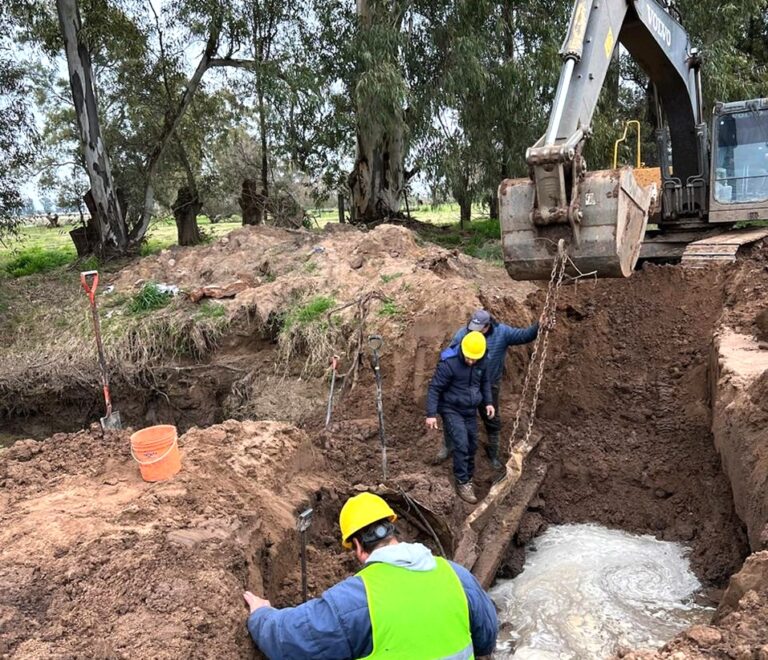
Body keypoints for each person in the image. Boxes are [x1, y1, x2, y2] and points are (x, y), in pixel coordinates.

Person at [244, 492, 498, 659]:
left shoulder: (354, 600)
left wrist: (261, 614)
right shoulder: (455, 575)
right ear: (393, 531)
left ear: (357, 547)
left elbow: (288, 640)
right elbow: (486, 640)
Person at [435, 309, 539, 470]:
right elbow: (449, 355)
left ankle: (493, 455)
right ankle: (449, 447)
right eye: (472, 328)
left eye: (478, 329)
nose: (473, 332)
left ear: (487, 326)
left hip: (489, 385)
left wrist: (540, 326)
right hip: (463, 385)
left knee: (491, 419)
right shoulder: (463, 334)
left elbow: (525, 335)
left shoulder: (502, 333)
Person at [425, 331, 495, 504]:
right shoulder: (449, 363)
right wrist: (431, 414)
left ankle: (469, 476)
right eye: (468, 358)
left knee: (472, 444)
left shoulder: (482, 360)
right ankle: (462, 482)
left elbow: (484, 382)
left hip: (470, 409)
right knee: (461, 444)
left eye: (474, 359)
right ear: (463, 350)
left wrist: (488, 402)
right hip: (451, 408)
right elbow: (435, 388)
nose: (471, 362)